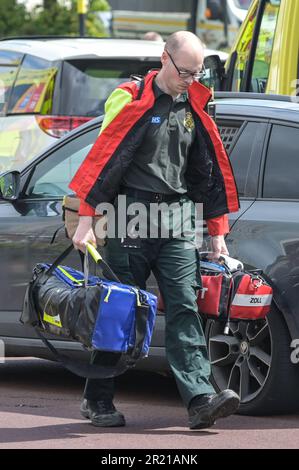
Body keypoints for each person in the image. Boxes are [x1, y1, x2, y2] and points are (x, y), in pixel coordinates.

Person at [69, 31, 240, 430]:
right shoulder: (128, 98)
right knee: (120, 312)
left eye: (198, 73)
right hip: (130, 214)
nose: (191, 80)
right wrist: (86, 221)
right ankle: (97, 399)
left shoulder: (197, 104)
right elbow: (103, 161)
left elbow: (209, 170)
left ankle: (200, 398)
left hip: (178, 218)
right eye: (185, 72)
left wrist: (217, 231)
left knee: (184, 304)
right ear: (164, 59)